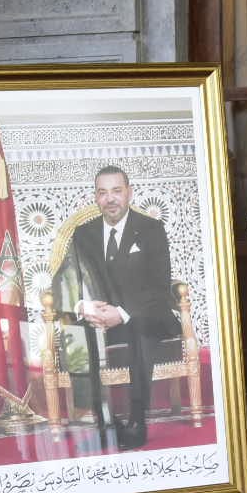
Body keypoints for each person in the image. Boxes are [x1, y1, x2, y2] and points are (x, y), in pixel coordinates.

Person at [65, 165, 180, 450]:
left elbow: (159, 286)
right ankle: (101, 418)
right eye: (103, 192)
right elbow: (70, 279)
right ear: (96, 197)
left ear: (129, 193)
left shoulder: (151, 229)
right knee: (76, 332)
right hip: (101, 318)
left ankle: (137, 420)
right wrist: (85, 306)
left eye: (116, 191)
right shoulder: (83, 234)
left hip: (145, 315)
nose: (110, 199)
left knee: (140, 330)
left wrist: (122, 313)